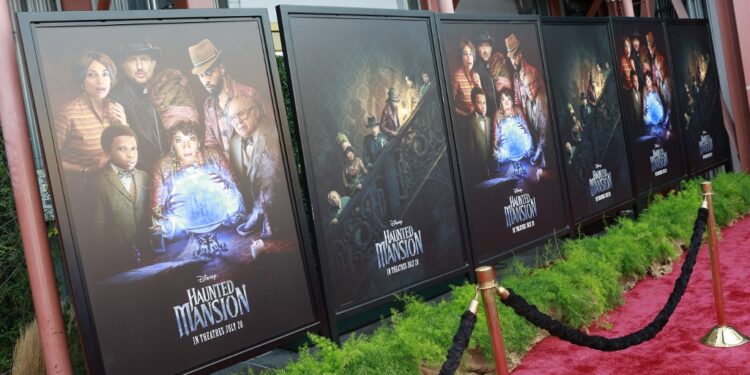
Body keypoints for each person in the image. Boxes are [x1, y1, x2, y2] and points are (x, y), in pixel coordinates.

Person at [151, 117, 243, 244]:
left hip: (224, 228)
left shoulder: (214, 156)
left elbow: (238, 199)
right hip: (183, 237)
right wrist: (166, 212)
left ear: (199, 141)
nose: (186, 146)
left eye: (191, 139)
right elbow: (157, 218)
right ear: (172, 143)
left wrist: (227, 189)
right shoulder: (162, 167)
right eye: (179, 140)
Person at [111, 39, 195, 170]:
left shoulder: (165, 85)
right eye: (132, 60)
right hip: (142, 171)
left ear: (153, 63)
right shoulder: (116, 97)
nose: (139, 66)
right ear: (123, 64)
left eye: (144, 59)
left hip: (175, 167)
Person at [55, 50, 128, 192]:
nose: (100, 80)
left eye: (105, 74)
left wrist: (124, 125)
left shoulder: (117, 108)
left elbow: (128, 151)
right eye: (92, 75)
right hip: (80, 189)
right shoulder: (67, 114)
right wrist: (85, 169)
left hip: (113, 186)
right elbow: (49, 161)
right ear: (81, 80)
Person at [90, 125, 151, 279]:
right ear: (108, 152)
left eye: (134, 148)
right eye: (122, 149)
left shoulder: (144, 176)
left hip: (148, 255)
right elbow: (98, 229)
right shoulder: (99, 182)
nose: (131, 155)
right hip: (117, 260)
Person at [189, 38, 262, 156]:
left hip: (253, 168)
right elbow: (211, 143)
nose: (205, 81)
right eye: (201, 76)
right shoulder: (208, 106)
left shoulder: (249, 94)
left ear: (222, 69)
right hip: (228, 170)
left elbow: (267, 136)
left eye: (209, 73)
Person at [226, 94, 279, 238]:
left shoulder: (274, 135)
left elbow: (271, 185)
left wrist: (254, 220)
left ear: (256, 112)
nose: (237, 121)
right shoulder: (234, 143)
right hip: (251, 220)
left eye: (241, 114)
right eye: (232, 118)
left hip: (279, 221)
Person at [493, 88, 533, 180]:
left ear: (512, 101)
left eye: (508, 99)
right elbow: (496, 136)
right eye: (503, 100)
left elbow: (526, 129)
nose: (506, 103)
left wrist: (529, 148)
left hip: (521, 147)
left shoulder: (518, 110)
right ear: (500, 102)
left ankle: (520, 168)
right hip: (507, 150)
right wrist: (497, 151)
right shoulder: (497, 115)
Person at [506, 33, 542, 113]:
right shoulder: (515, 76)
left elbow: (541, 97)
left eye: (514, 57)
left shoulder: (532, 71)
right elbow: (517, 100)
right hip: (525, 116)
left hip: (536, 115)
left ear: (520, 54)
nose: (513, 62)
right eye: (511, 59)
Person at [523, 70, 548, 168]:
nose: (528, 89)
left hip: (548, 155)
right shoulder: (529, 103)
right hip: (539, 153)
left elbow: (544, 135)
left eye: (531, 85)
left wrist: (536, 156)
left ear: (537, 84)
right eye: (526, 86)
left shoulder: (542, 102)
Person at [451, 39, 482, 117]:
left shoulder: (476, 74)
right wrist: (465, 115)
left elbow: (482, 101)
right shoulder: (457, 76)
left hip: (477, 117)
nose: (469, 58)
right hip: (465, 120)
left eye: (471, 54)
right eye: (465, 54)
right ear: (461, 57)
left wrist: (479, 86)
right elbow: (450, 105)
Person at [467, 87, 492, 182]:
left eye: (484, 102)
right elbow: (471, 154)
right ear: (473, 104)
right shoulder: (470, 124)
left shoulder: (489, 121)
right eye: (479, 103)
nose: (483, 106)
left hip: (492, 169)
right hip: (479, 173)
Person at [642, 71, 669, 141]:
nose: (648, 81)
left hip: (658, 112)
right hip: (650, 114)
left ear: (651, 80)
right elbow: (644, 103)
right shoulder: (644, 90)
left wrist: (662, 109)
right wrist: (644, 113)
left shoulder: (655, 87)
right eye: (646, 80)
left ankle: (660, 134)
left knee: (661, 133)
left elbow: (659, 100)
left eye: (649, 79)